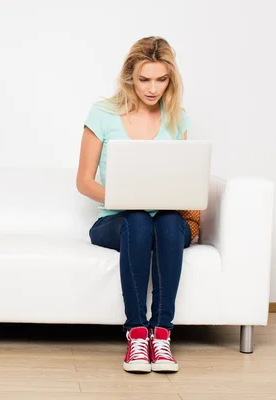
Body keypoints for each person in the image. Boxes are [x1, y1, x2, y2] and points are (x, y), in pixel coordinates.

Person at [76, 36, 199, 374]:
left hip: (164, 220)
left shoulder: (178, 119)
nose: (152, 88)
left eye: (161, 80)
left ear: (170, 79)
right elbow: (84, 181)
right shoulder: (102, 114)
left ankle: (161, 335)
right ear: (129, 76)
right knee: (139, 218)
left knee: (170, 222)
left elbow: (183, 177)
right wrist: (126, 197)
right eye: (145, 79)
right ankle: (136, 333)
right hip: (117, 220)